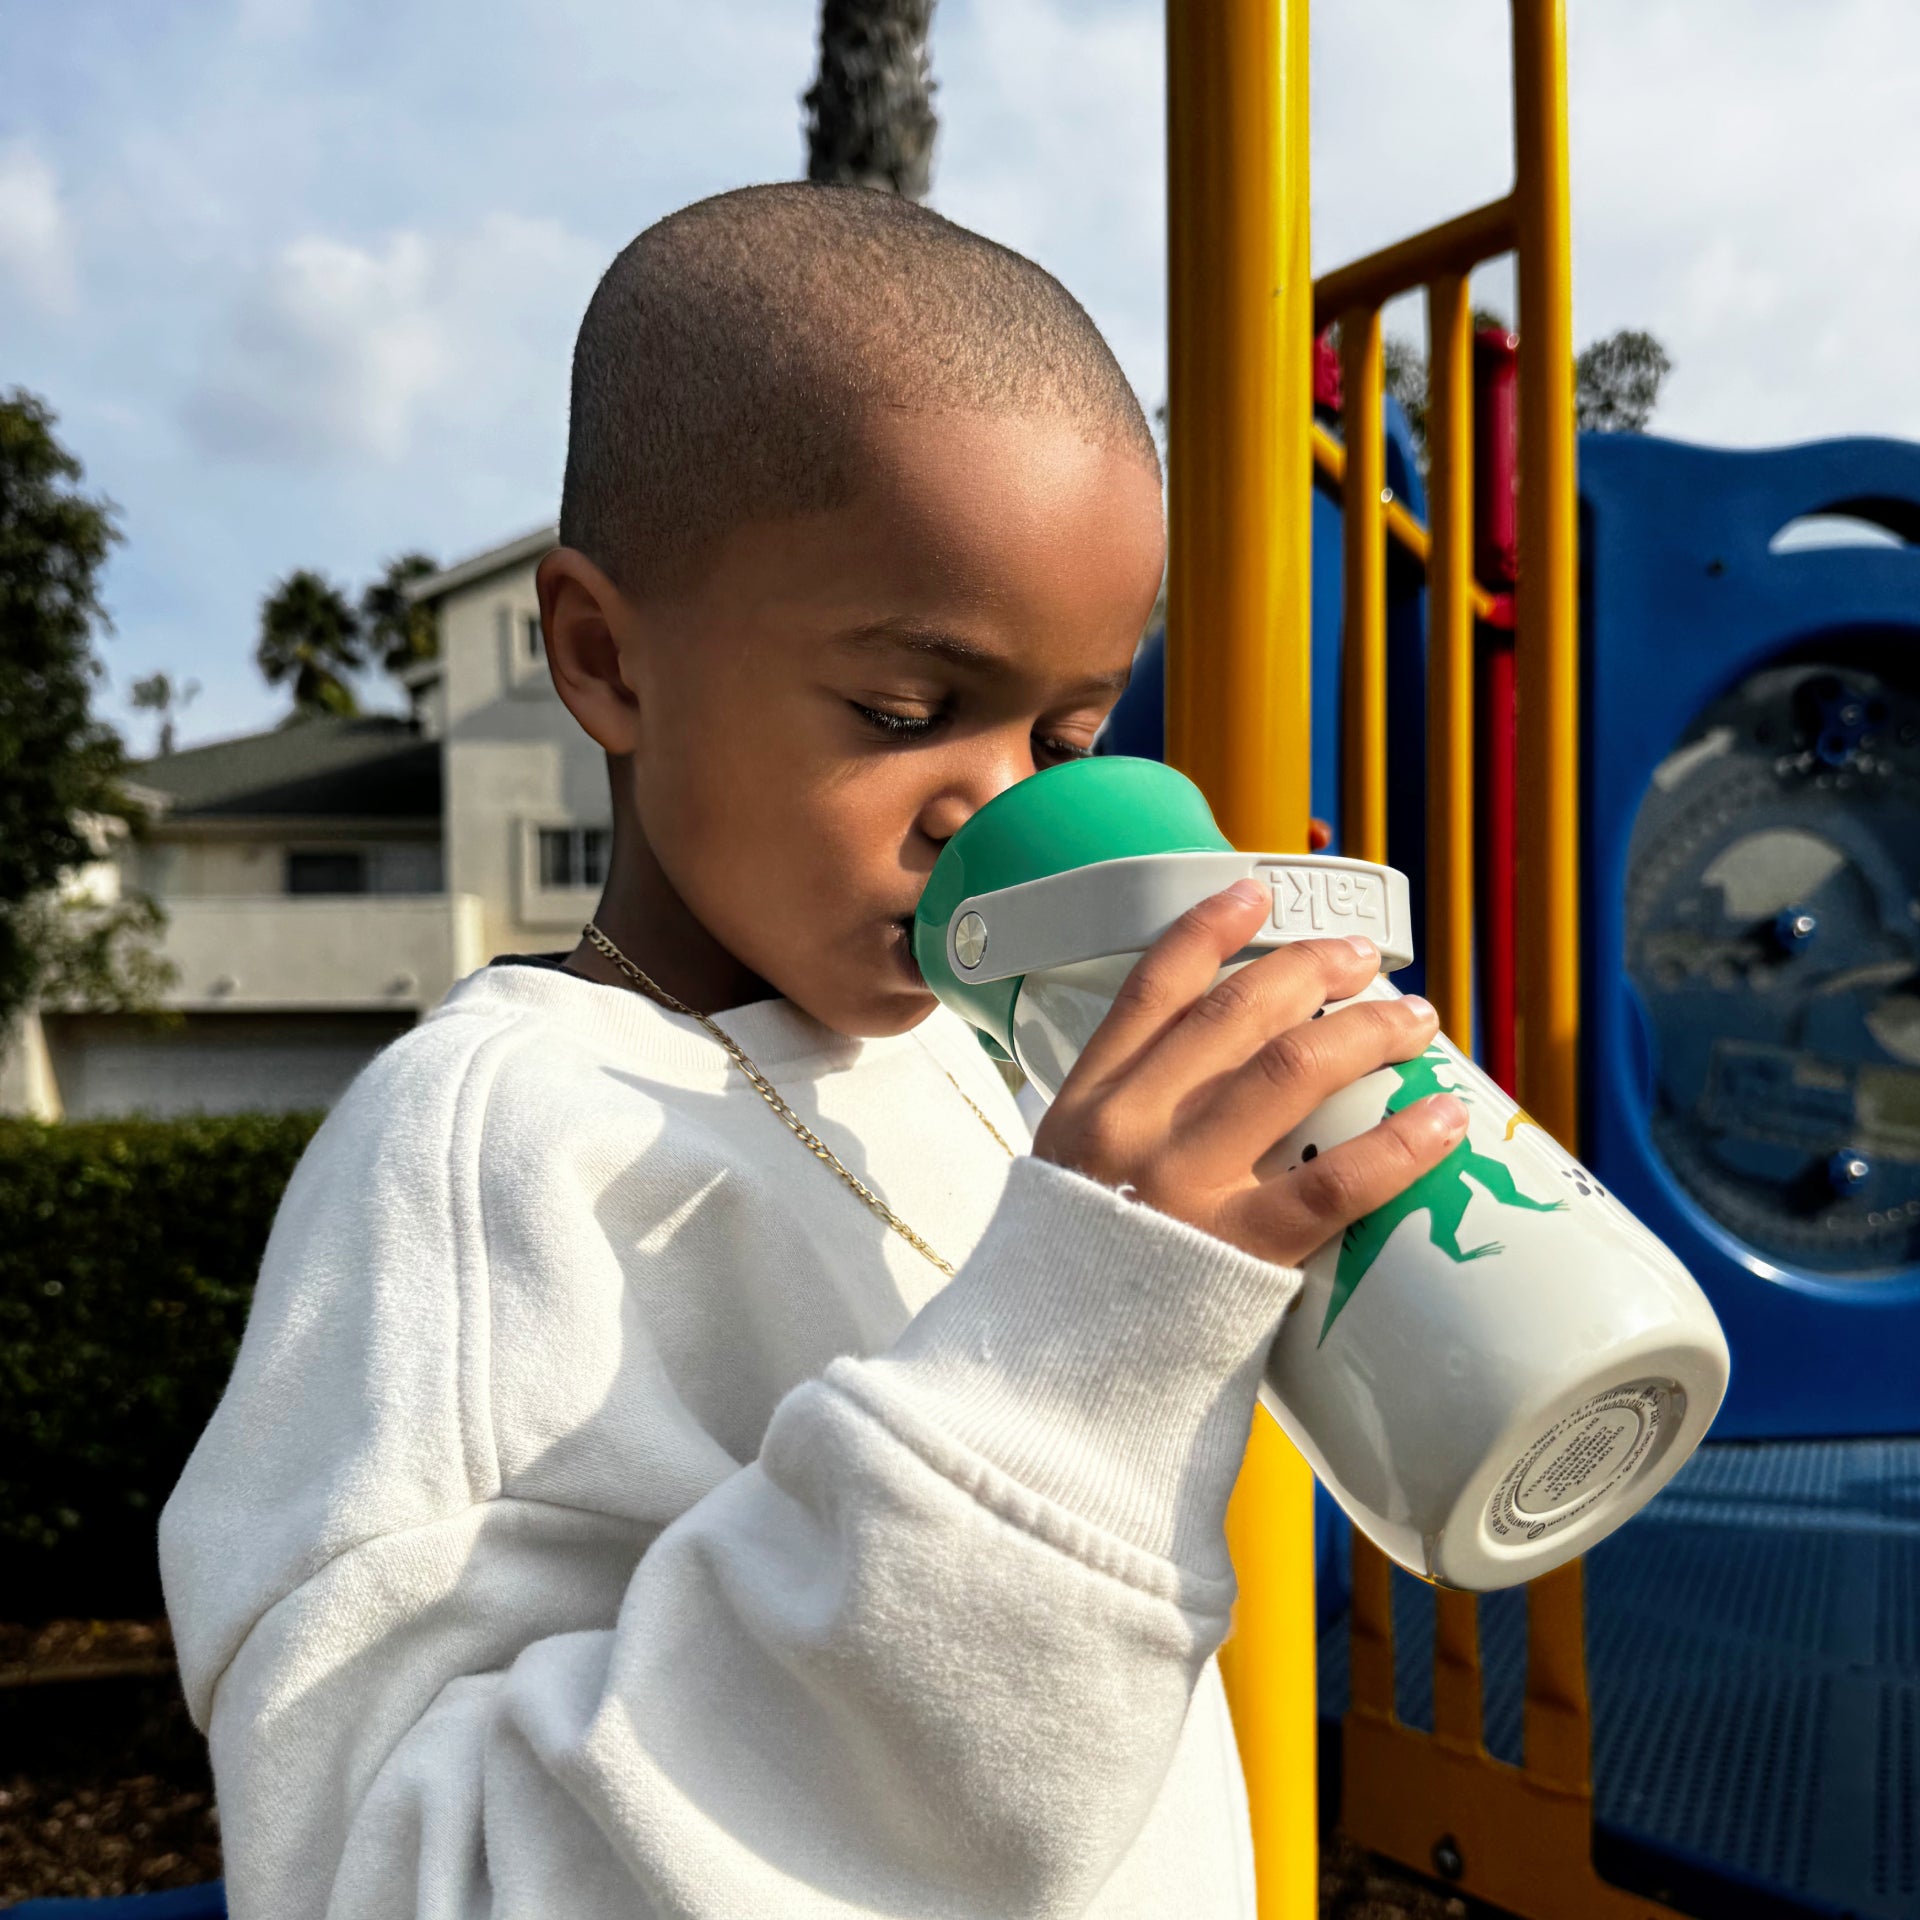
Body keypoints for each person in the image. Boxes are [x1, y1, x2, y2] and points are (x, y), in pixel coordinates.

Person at [160, 183, 1464, 1919]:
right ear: (606, 658)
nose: (994, 813)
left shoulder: (994, 1076)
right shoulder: (494, 1149)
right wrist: (1072, 1364)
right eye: (905, 715)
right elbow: (392, 1874)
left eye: (1067, 735)